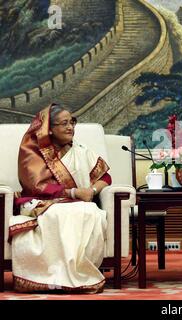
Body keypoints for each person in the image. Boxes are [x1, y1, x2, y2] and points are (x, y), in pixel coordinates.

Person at [8, 103, 112, 293]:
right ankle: (54, 276)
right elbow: (36, 187)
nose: (70, 127)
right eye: (64, 123)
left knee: (91, 213)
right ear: (50, 128)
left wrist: (92, 191)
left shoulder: (79, 150)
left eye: (72, 122)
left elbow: (105, 177)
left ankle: (79, 272)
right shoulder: (33, 153)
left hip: (79, 202)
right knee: (61, 215)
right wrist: (73, 193)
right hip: (41, 203)